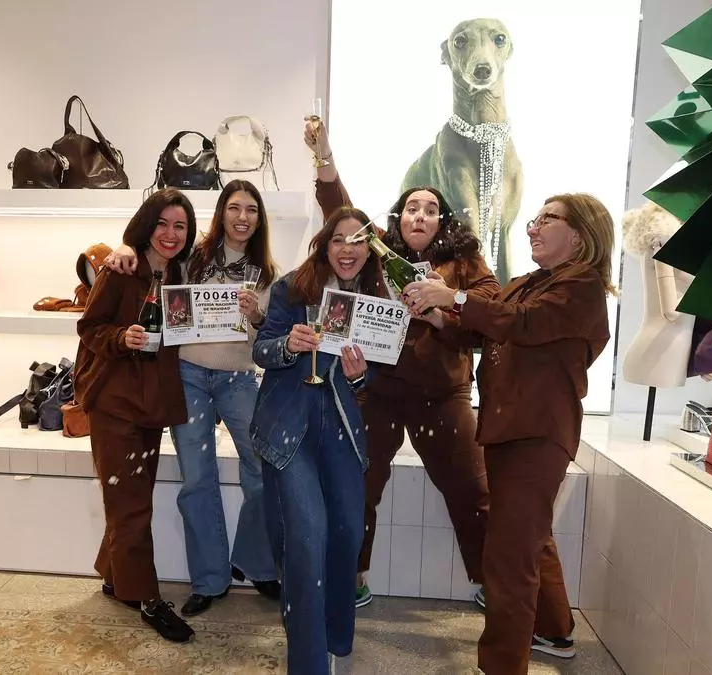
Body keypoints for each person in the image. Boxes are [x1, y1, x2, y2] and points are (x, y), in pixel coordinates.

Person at [402, 194, 615, 675]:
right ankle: (554, 630)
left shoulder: (581, 285)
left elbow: (523, 323)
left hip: (537, 432)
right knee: (528, 538)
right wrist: (437, 315)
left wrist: (453, 297)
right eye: (534, 219)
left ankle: (500, 666)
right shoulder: (528, 283)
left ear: (580, 235)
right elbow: (484, 330)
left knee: (507, 556)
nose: (532, 227)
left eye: (547, 219)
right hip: (509, 428)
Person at [304, 119, 498, 608]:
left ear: (442, 222)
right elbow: (339, 209)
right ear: (399, 216)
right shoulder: (377, 252)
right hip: (378, 390)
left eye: (431, 210)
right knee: (359, 483)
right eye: (412, 207)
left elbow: (492, 311)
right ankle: (352, 575)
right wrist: (323, 153)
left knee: (471, 489)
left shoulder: (464, 261)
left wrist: (443, 309)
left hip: (444, 396)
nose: (420, 216)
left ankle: (493, 582)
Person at [103, 180, 282, 616]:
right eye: (234, 208)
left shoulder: (267, 273)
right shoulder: (191, 258)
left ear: (260, 219)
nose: (242, 217)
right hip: (189, 377)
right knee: (198, 480)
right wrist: (122, 247)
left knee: (263, 470)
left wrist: (257, 316)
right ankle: (209, 579)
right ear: (221, 213)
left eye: (251, 210)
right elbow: (150, 254)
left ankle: (255, 563)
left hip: (239, 379)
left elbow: (267, 341)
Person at [251, 206, 384, 673]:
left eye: (358, 241)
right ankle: (308, 661)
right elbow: (261, 350)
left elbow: (376, 376)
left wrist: (361, 376)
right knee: (306, 538)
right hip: (290, 428)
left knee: (347, 534)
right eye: (339, 239)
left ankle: (334, 639)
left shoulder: (377, 300)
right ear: (325, 245)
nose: (348, 249)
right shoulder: (293, 287)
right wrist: (288, 345)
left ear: (371, 250)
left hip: (343, 431)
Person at [73, 188, 198, 643]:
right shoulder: (121, 268)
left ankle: (115, 576)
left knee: (133, 495)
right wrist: (121, 337)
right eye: (162, 223)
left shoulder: (182, 273)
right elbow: (89, 326)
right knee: (131, 504)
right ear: (146, 225)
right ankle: (146, 596)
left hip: (152, 403)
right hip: (115, 401)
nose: (170, 234)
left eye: (180, 226)